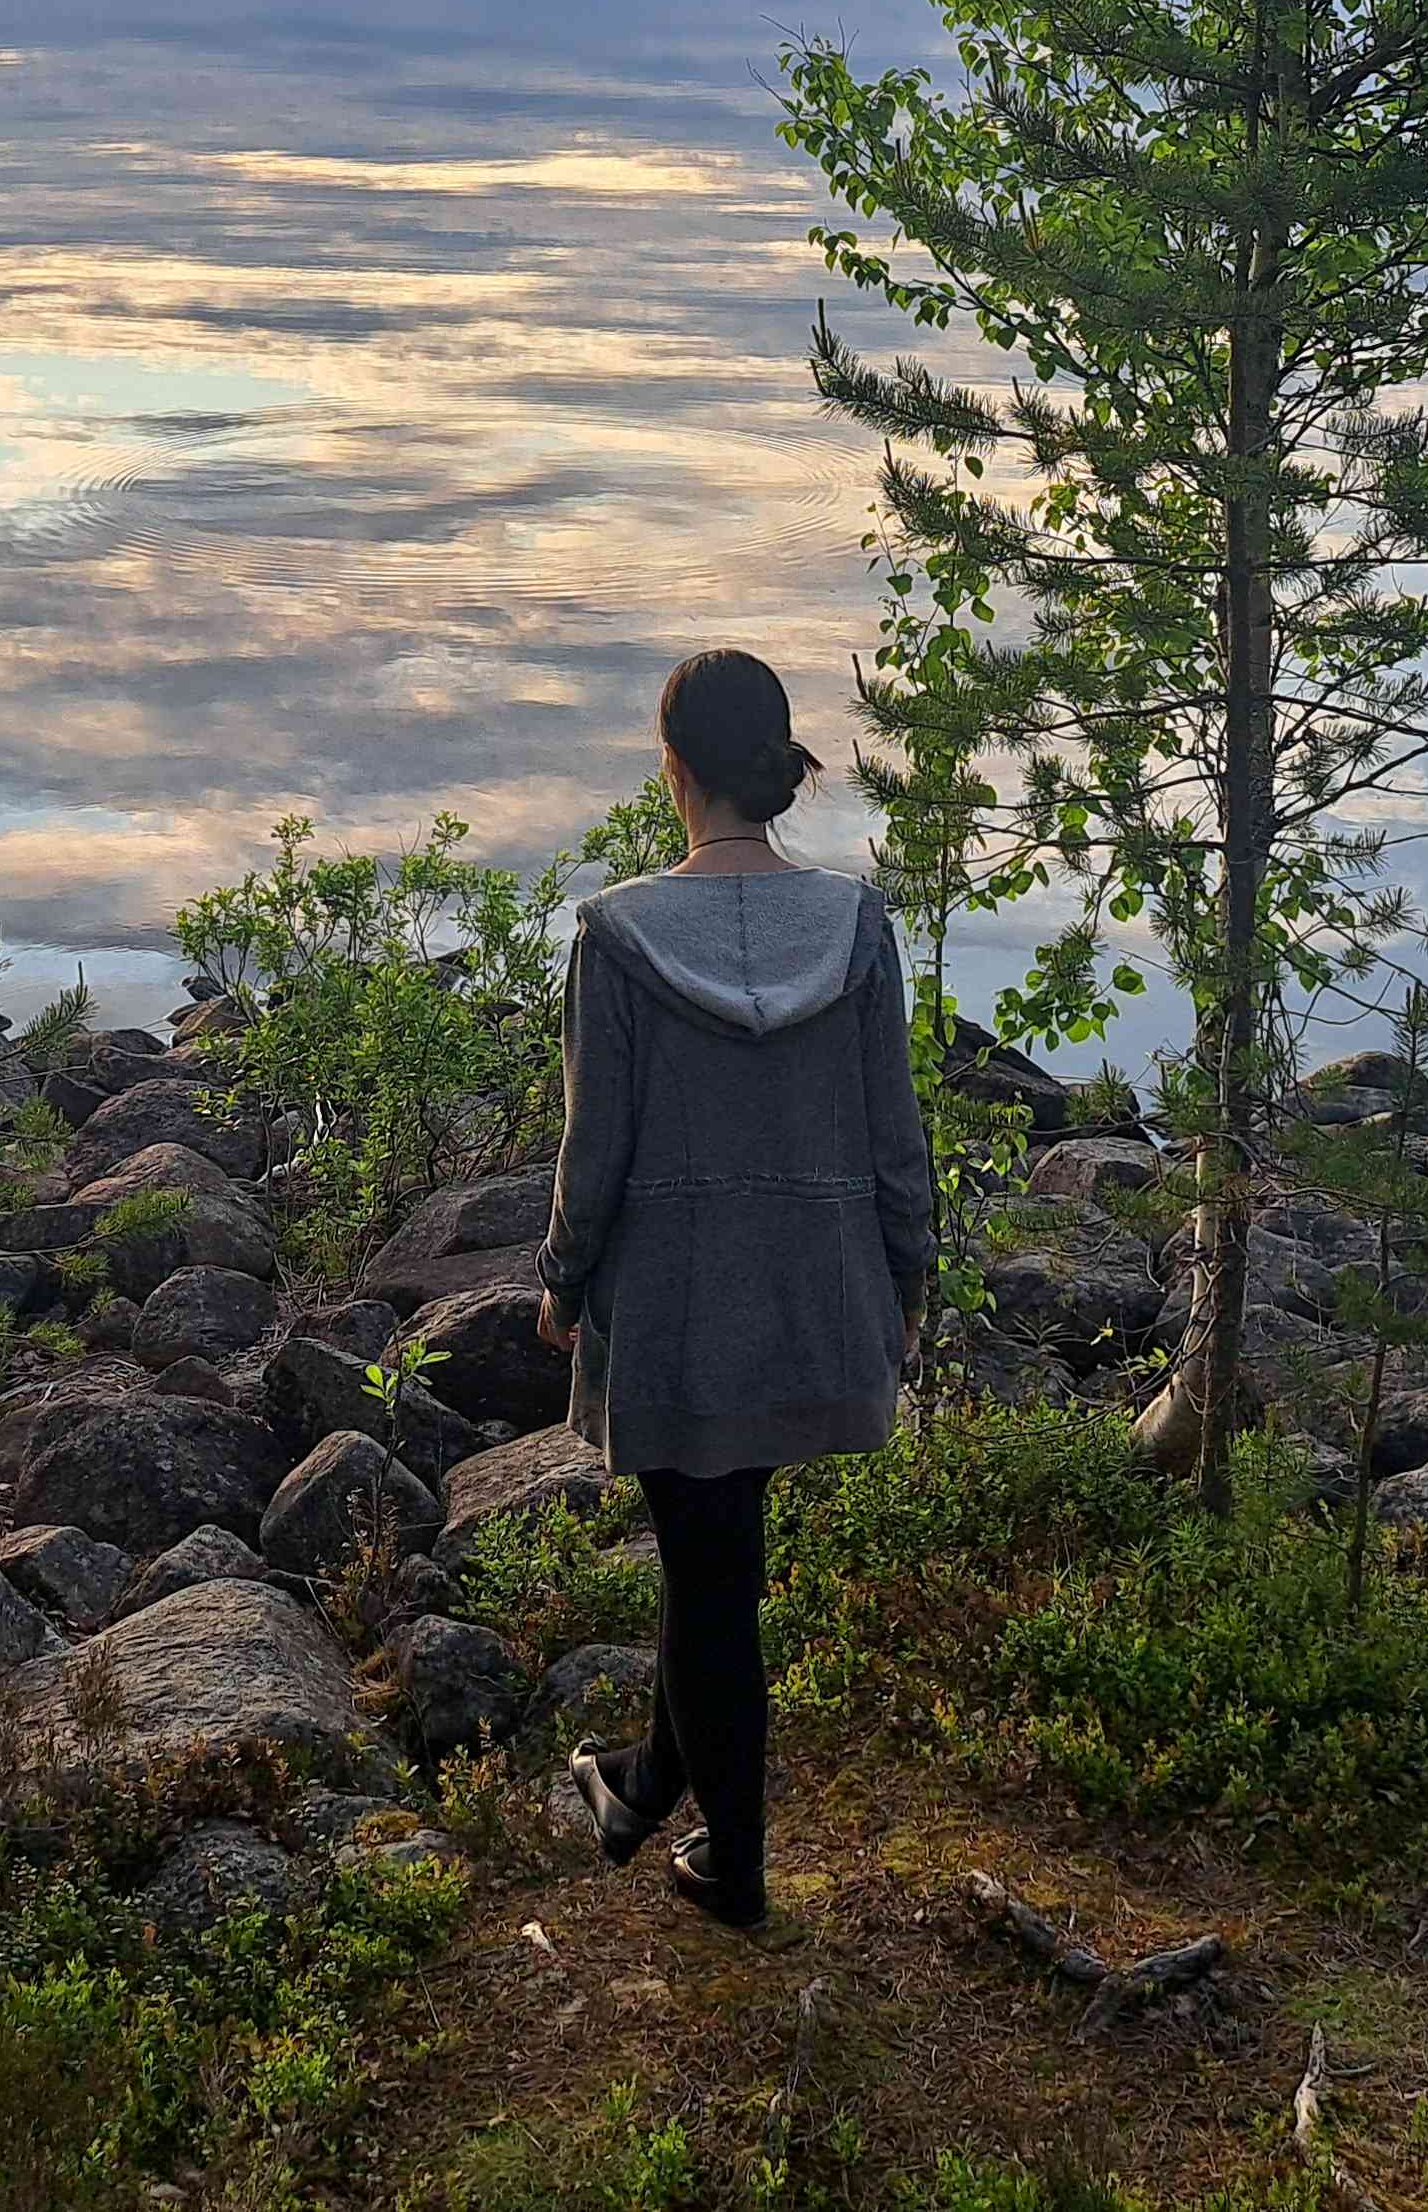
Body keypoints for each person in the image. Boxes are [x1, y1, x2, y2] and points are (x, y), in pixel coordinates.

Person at [535, 646, 934, 1932]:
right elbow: (893, 1131)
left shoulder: (619, 932)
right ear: (771, 764)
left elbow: (595, 1146)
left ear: (675, 769)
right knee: (712, 1549)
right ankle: (645, 1785)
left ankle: (736, 1865)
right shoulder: (857, 924)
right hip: (811, 1293)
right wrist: (906, 1268)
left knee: (708, 1572)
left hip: (678, 1306)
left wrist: (563, 1279)